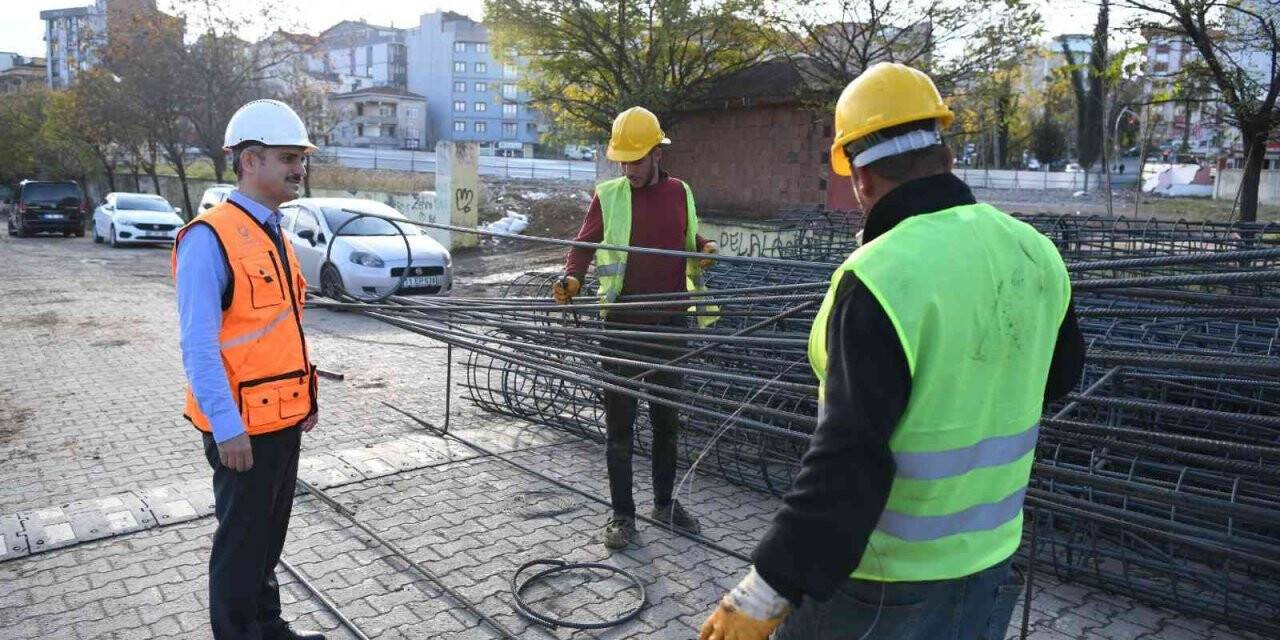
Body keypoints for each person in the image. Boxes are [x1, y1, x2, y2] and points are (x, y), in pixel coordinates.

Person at [699, 62, 1085, 640]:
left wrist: (768, 586)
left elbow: (850, 455)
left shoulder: (880, 274)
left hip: (883, 584)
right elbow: (1059, 379)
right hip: (988, 567)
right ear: (947, 156)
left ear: (861, 176)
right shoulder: (1036, 252)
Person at [173, 99, 325, 640]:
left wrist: (307, 395)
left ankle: (268, 627)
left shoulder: (275, 233)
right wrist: (226, 424)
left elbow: (283, 329)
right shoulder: (209, 237)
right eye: (288, 158)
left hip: (282, 417)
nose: (298, 169)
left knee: (267, 537)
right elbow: (198, 345)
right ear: (249, 160)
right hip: (242, 427)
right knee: (240, 545)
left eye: (301, 159)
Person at [553, 106, 720, 550]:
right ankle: (622, 517)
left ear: (656, 153)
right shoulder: (608, 195)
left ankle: (664, 504)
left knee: (667, 422)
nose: (629, 168)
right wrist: (573, 277)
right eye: (623, 160)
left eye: (636, 160)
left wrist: (705, 248)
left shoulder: (680, 192)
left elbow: (689, 238)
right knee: (620, 429)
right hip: (622, 325)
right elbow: (583, 246)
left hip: (670, 324)